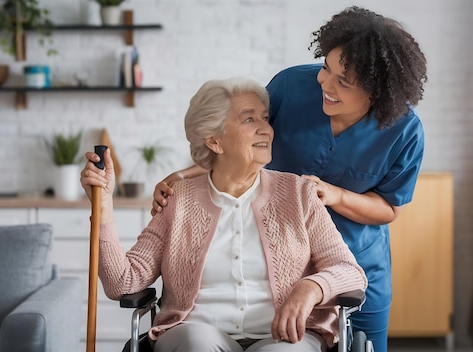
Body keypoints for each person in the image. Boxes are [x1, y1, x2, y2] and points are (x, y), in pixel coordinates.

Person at [151, 7, 427, 352]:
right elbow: (242, 145)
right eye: (327, 67)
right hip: (279, 259)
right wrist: (183, 176)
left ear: (376, 92)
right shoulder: (291, 87)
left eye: (343, 81)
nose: (324, 82)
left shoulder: (405, 131)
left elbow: (389, 207)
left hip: (354, 260)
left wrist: (336, 196)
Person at [80, 77, 366, 352]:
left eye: (265, 118)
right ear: (215, 141)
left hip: (285, 337)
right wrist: (103, 205)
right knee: (196, 343)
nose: (266, 129)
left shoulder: (299, 194)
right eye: (249, 119)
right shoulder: (178, 201)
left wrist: (310, 288)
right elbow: (122, 283)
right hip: (195, 333)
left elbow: (350, 272)